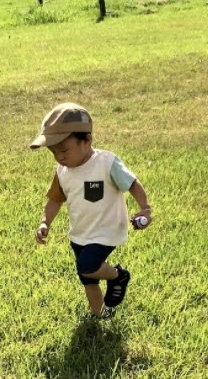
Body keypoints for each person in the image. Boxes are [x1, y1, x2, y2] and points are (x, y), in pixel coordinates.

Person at [31, 102, 152, 319]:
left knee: (87, 265)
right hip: (80, 233)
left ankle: (117, 276)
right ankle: (100, 314)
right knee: (88, 278)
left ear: (86, 141)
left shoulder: (106, 163)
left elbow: (132, 183)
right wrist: (44, 223)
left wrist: (145, 209)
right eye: (53, 152)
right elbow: (55, 200)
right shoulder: (62, 171)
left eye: (64, 150)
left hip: (106, 231)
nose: (59, 157)